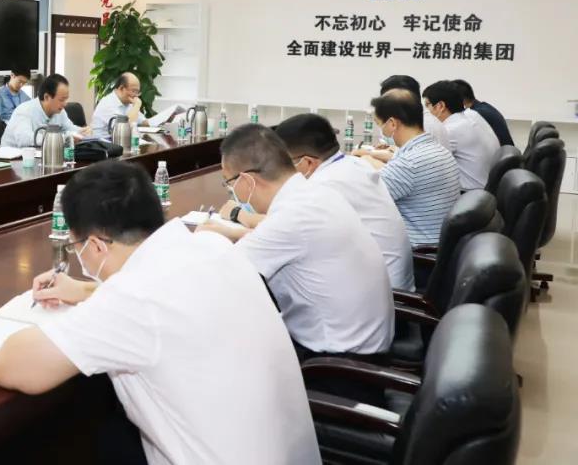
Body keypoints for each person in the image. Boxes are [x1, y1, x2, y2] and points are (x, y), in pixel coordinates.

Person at [0, 161, 320, 465]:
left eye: (76, 247)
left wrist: (92, 304)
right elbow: (167, 302)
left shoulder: (134, 298)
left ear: (96, 245)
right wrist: (87, 291)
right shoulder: (211, 246)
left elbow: (12, 366)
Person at [198, 124, 394, 360]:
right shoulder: (315, 194)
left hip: (337, 362)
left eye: (229, 182)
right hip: (361, 340)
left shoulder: (293, 216)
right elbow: (279, 239)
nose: (231, 190)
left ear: (247, 180)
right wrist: (229, 233)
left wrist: (202, 240)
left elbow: (221, 274)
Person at [266, 114, 414, 291]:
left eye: (286, 162)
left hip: (384, 292)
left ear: (307, 161)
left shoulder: (325, 185)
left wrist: (240, 214)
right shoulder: (352, 164)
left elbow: (282, 230)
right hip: (390, 282)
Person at [363, 90, 461, 246]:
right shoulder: (437, 149)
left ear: (392, 123)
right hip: (437, 240)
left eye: (379, 123)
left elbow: (361, 200)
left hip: (417, 250)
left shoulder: (410, 163)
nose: (380, 130)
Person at [423, 80, 500, 191]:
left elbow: (426, 165)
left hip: (469, 193)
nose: (426, 111)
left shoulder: (450, 130)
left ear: (440, 106)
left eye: (427, 105)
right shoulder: (472, 115)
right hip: (486, 189)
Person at [355, 74, 448, 162]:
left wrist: (369, 154)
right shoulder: (415, 117)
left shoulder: (425, 123)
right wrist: (390, 148)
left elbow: (409, 160)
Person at [0, 74, 92, 149]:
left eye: (66, 99)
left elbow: (69, 128)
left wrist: (82, 132)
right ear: (46, 97)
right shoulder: (24, 111)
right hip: (12, 162)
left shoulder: (60, 111)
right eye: (61, 100)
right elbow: (25, 139)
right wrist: (61, 139)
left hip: (42, 158)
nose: (65, 104)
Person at [452, 79, 514, 147]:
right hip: (503, 150)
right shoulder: (483, 106)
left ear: (461, 99)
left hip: (498, 152)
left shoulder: (475, 114)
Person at [89, 72, 150, 141]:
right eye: (133, 91)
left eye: (137, 92)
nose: (136, 95)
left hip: (118, 143)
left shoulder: (128, 103)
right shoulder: (108, 103)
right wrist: (137, 106)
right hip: (103, 144)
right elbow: (125, 130)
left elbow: (144, 122)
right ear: (121, 88)